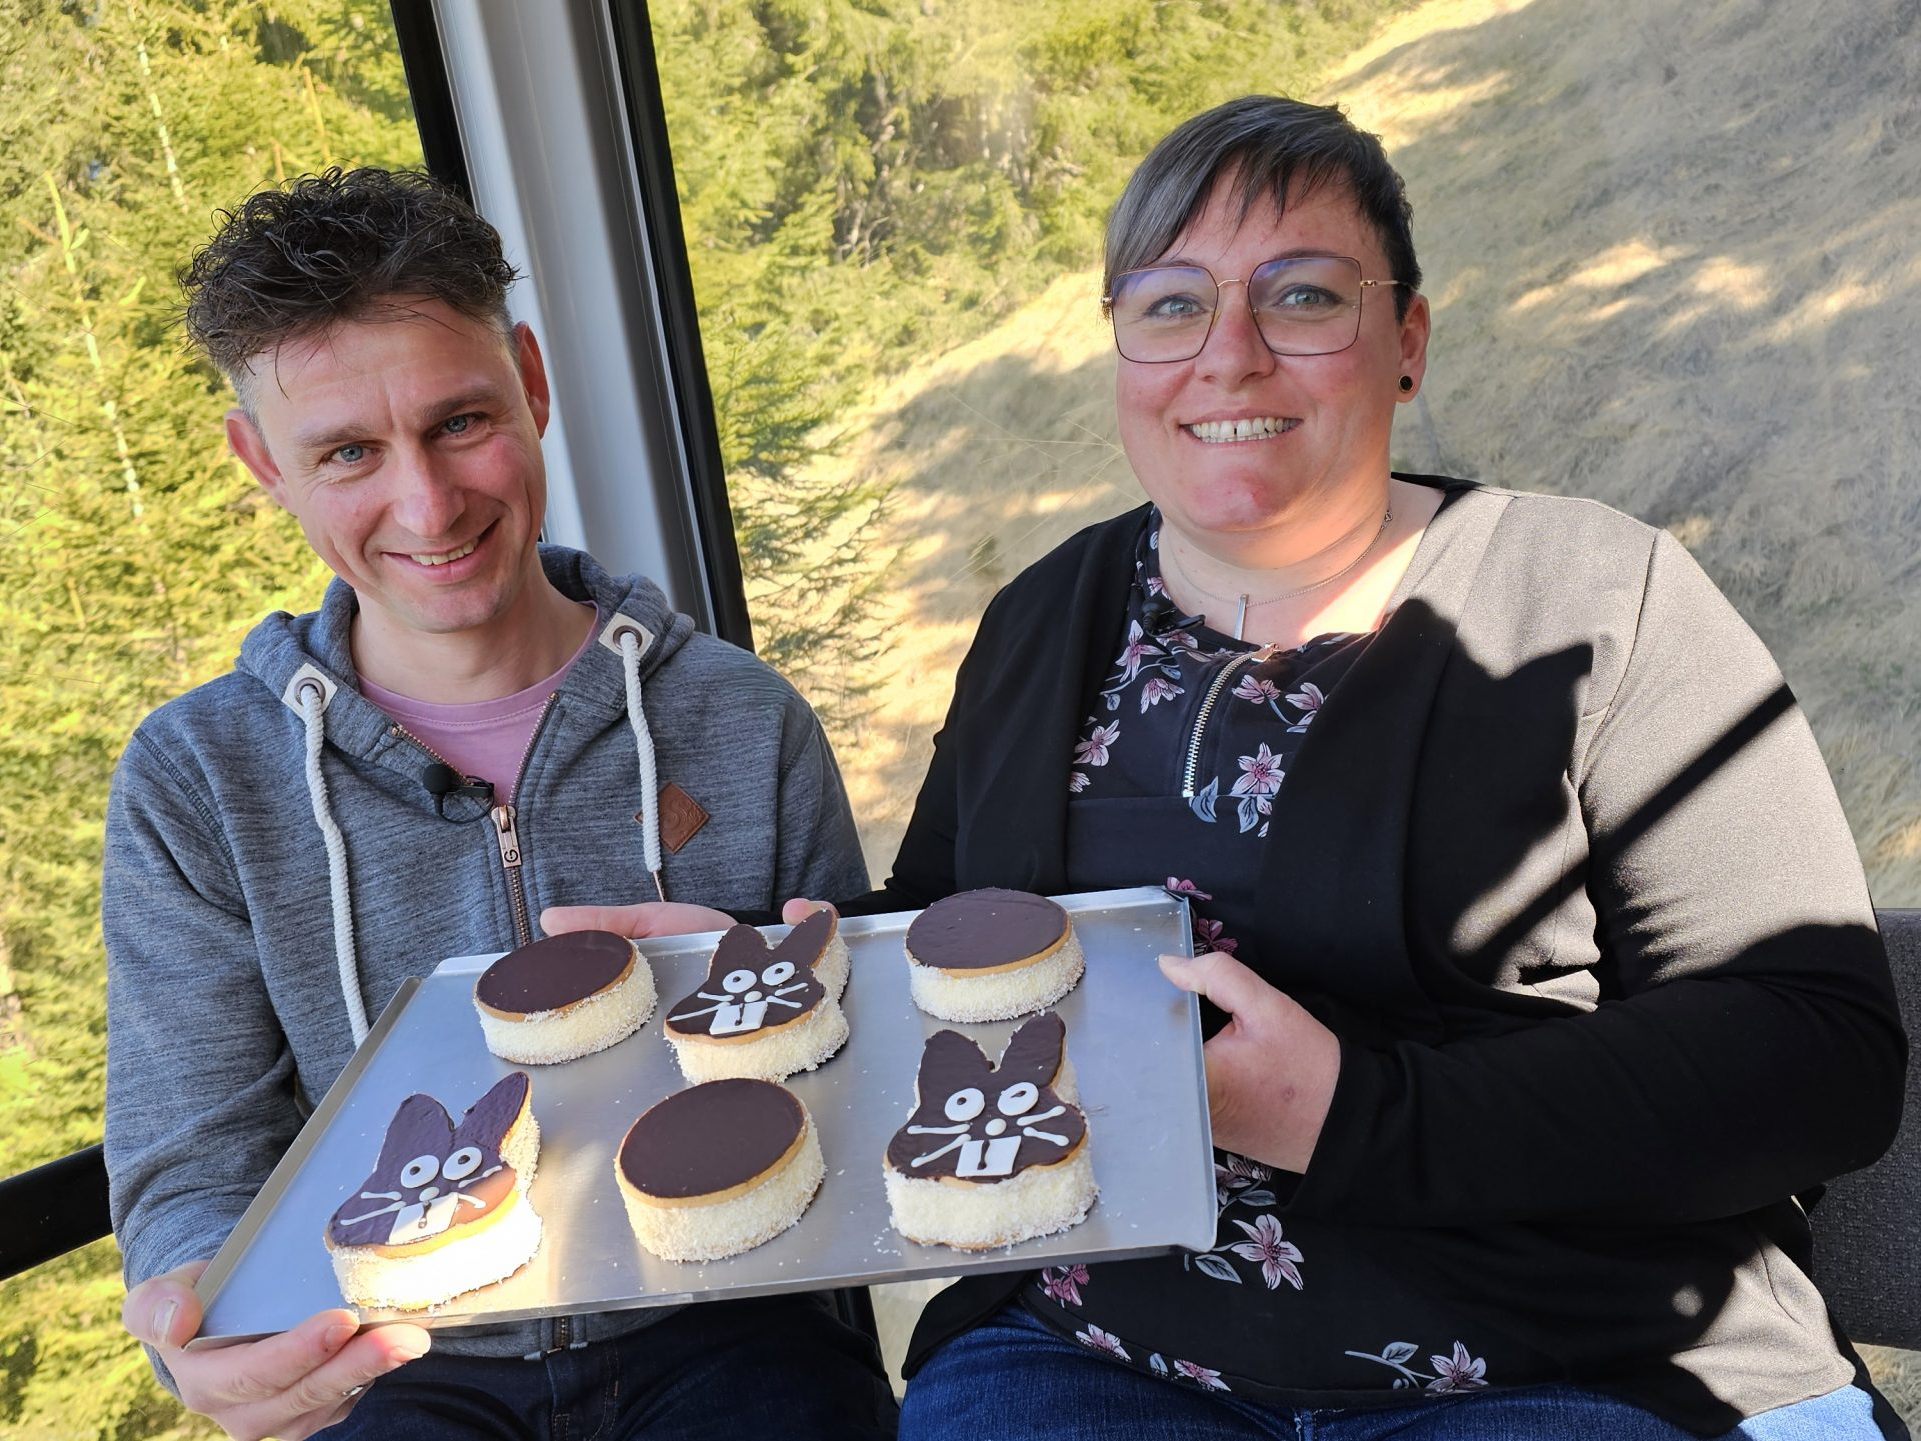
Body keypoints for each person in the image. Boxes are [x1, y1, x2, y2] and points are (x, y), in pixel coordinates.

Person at [558, 97, 1909, 1439]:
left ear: (1406, 342)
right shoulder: (1041, 618)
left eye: (1303, 296)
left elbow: (1816, 1053)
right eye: (1170, 305)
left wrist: (1353, 1114)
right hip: (1090, 1349)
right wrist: (767, 967)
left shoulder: (1596, 600)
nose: (1229, 357)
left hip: (1556, 1353)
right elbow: (955, 947)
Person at [102, 168, 894, 1441]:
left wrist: (768, 999)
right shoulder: (198, 780)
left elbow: (865, 1083)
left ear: (531, 381)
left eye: (460, 421)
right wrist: (207, 1316)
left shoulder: (744, 720)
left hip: (737, 1332)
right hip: (391, 1361)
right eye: (348, 452)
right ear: (262, 462)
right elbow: (194, 1160)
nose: (428, 505)